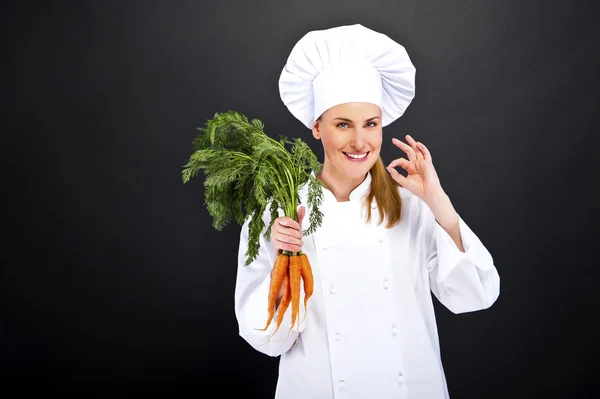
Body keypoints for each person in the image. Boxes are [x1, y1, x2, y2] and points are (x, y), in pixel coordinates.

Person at [233, 23, 500, 399]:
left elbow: (475, 295)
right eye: (343, 124)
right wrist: (283, 257)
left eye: (370, 124)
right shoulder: (280, 211)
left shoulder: (412, 206)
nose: (360, 141)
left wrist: (438, 201)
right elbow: (269, 340)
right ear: (317, 127)